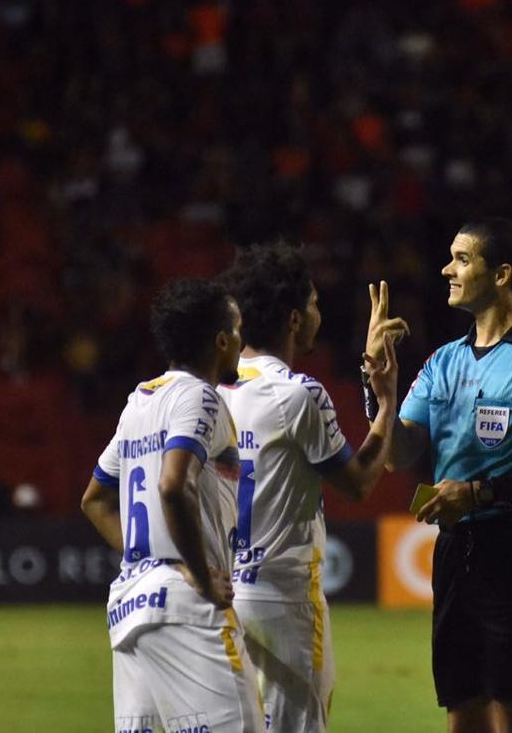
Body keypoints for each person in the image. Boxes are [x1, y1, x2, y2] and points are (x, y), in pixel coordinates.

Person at [380, 218, 512, 733]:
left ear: (500, 274)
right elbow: (398, 453)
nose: (446, 269)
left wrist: (480, 493)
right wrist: (382, 389)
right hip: (457, 552)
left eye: (461, 258)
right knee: (466, 713)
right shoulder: (442, 362)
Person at [216, 242, 407, 732]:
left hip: (223, 590)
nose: (319, 311)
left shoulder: (211, 393)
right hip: (285, 598)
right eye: (314, 303)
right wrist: (385, 402)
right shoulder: (297, 394)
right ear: (293, 318)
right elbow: (360, 482)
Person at [80, 277, 265, 733]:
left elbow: (95, 500)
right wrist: (198, 574)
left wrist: (147, 563)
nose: (243, 343)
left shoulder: (139, 402)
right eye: (238, 331)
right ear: (222, 341)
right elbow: (172, 484)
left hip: (129, 606)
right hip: (186, 609)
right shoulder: (200, 397)